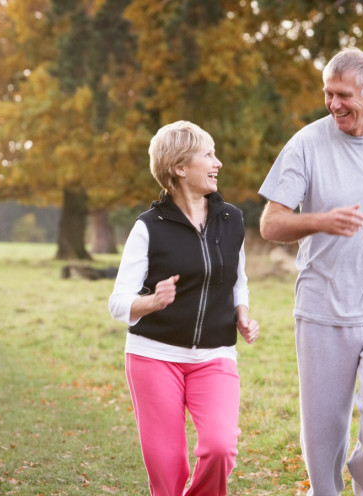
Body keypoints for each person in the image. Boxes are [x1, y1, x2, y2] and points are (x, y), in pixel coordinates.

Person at [257, 47, 363, 496]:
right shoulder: (306, 144)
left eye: (342, 95)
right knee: (322, 437)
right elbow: (270, 223)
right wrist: (320, 221)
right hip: (322, 306)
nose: (333, 104)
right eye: (327, 93)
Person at [108, 120, 260, 496]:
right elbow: (118, 302)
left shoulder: (232, 221)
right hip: (153, 357)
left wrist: (242, 311)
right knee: (168, 468)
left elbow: (238, 279)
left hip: (215, 356)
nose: (218, 163)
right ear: (179, 168)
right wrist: (152, 301)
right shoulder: (148, 227)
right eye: (208, 155)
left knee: (220, 448)